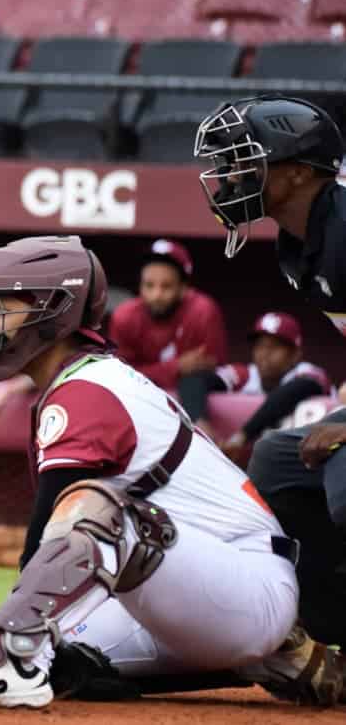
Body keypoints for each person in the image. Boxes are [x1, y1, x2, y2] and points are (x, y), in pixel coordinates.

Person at [0, 235, 334, 709]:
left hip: (246, 581)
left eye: (2, 306)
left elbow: (49, 536)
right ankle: (269, 658)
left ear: (53, 311)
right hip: (198, 588)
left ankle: (13, 658)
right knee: (67, 661)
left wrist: (14, 630)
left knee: (96, 510)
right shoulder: (82, 381)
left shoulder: (90, 389)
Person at [195, 93, 346, 647]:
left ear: (301, 172)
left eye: (247, 160)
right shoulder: (297, 245)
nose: (231, 175)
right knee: (276, 459)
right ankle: (335, 633)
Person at [194, 312, 331, 459]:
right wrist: (200, 421)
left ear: (295, 354)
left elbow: (290, 393)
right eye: (260, 346)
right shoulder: (246, 374)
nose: (264, 353)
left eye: (274, 347)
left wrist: (243, 436)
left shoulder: (310, 372)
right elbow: (196, 381)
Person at [106, 238, 227, 402]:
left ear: (184, 287)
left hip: (190, 404)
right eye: (149, 285)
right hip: (136, 401)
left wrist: (149, 371)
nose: (156, 295)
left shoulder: (203, 311)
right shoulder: (125, 316)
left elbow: (213, 370)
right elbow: (120, 375)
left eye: (166, 286)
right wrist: (176, 367)